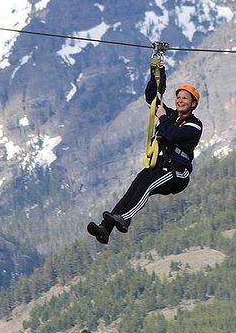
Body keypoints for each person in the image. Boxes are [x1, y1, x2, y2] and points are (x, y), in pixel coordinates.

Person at [87, 62, 203, 244]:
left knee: (147, 184)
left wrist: (163, 116)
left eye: (185, 99)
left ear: (193, 104)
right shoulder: (170, 115)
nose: (180, 101)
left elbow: (172, 135)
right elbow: (152, 98)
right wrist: (157, 73)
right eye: (179, 97)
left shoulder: (195, 125)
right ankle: (105, 229)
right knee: (136, 186)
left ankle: (124, 218)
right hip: (161, 166)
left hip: (177, 173)